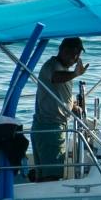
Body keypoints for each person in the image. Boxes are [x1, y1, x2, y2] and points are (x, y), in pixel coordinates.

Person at [29, 36, 87, 180]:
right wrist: (75, 74)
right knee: (52, 176)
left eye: (78, 53)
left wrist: (72, 105)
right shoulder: (52, 66)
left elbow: (59, 91)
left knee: (45, 172)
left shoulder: (63, 69)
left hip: (52, 126)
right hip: (50, 127)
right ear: (62, 50)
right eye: (73, 53)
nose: (75, 57)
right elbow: (56, 78)